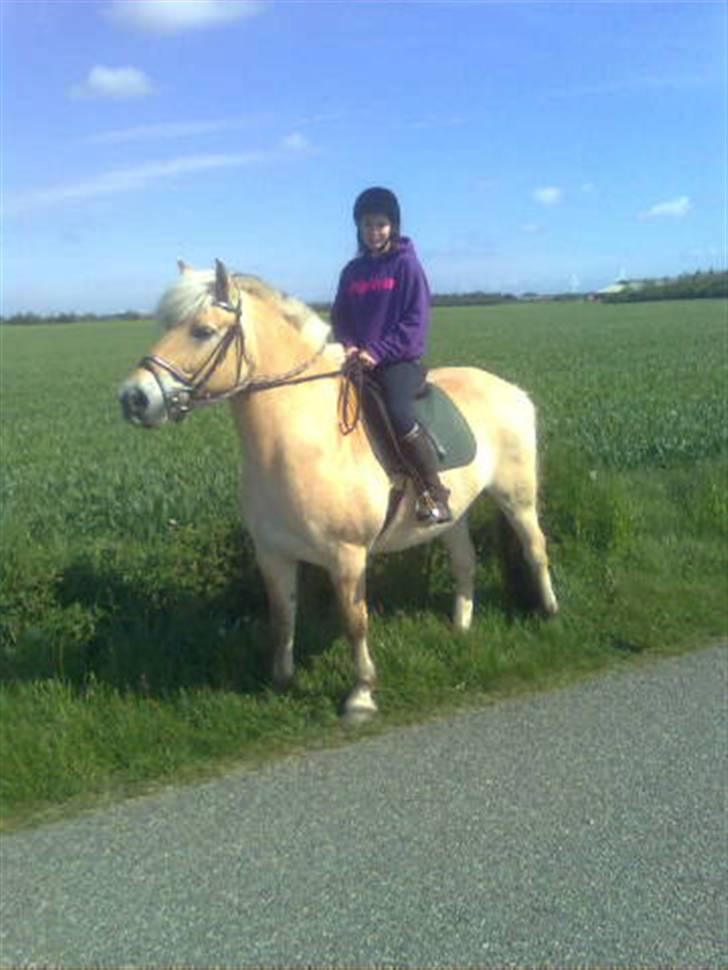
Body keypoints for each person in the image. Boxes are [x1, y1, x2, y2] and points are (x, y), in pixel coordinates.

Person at [331, 186, 452, 525]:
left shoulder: (406, 266)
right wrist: (350, 344)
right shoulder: (351, 273)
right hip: (359, 360)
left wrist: (378, 351)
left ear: (393, 226)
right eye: (368, 225)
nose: (374, 232)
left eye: (381, 225)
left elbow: (415, 320)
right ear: (359, 228)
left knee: (398, 410)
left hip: (399, 362)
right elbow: (341, 317)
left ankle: (435, 492)